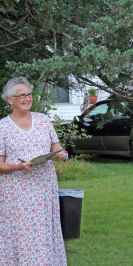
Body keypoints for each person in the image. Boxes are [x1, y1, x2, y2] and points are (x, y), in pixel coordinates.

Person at [0, 77, 68, 265]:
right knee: (22, 234)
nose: (28, 98)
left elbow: (56, 145)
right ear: (10, 100)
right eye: (22, 95)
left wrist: (60, 153)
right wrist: (19, 166)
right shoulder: (2, 127)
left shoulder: (43, 120)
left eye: (29, 95)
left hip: (44, 188)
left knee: (44, 231)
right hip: (17, 194)